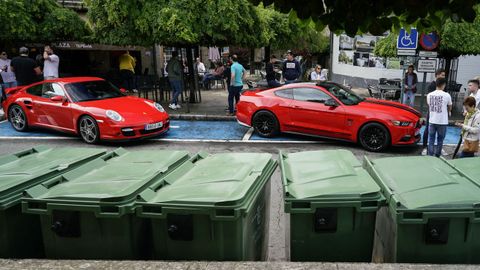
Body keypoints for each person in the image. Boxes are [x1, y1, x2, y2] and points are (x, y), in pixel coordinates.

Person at [426, 78, 452, 157]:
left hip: (432, 120)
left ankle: (430, 155)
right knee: (440, 140)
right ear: (443, 85)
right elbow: (450, 106)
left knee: (431, 139)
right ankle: (437, 155)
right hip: (442, 121)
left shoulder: (429, 95)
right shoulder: (447, 95)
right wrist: (448, 111)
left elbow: (429, 105)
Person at [422, 68, 446, 153]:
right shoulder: (432, 85)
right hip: (432, 111)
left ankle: (439, 147)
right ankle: (425, 147)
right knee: (428, 129)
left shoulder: (443, 85)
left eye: (444, 75)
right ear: (437, 75)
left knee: (440, 132)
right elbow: (429, 99)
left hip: (440, 112)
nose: (443, 77)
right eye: (442, 75)